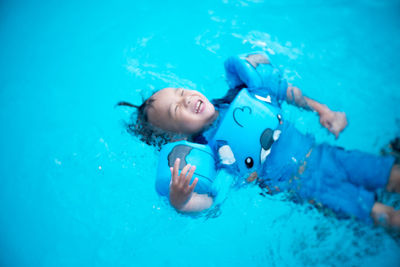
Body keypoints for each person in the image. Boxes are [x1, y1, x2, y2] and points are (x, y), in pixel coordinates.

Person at [119, 52, 400, 229]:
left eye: (181, 92)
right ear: (176, 136)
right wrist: (181, 201)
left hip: (326, 155)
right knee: (384, 215)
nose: (187, 99)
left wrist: (323, 111)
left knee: (390, 173)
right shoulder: (213, 157)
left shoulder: (239, 92)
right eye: (176, 109)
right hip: (308, 187)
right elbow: (211, 201)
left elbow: (284, 92)